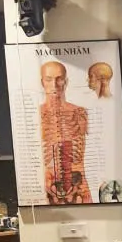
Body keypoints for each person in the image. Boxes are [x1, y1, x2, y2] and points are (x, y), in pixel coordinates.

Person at [38, 60, 91, 204]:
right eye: (49, 79)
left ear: (65, 82)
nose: (54, 85)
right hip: (48, 187)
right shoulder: (36, 114)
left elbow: (79, 159)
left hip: (78, 185)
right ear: (42, 83)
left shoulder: (79, 112)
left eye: (59, 79)